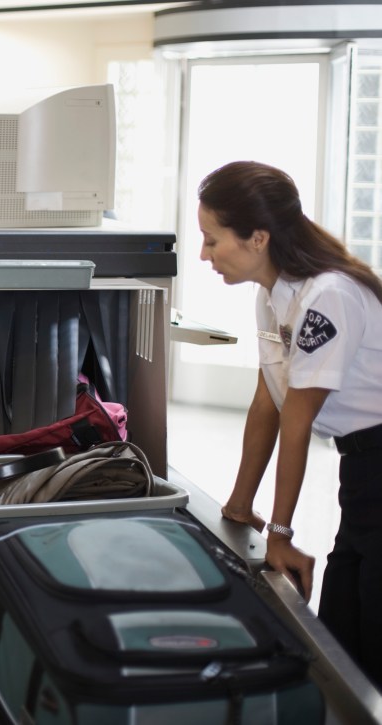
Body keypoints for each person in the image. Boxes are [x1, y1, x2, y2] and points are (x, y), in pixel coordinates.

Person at [198, 160, 382, 688]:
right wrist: (239, 503)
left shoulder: (328, 295)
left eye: (212, 240)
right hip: (363, 466)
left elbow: (297, 421)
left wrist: (280, 533)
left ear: (257, 237)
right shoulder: (273, 295)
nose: (206, 254)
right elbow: (268, 404)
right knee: (343, 634)